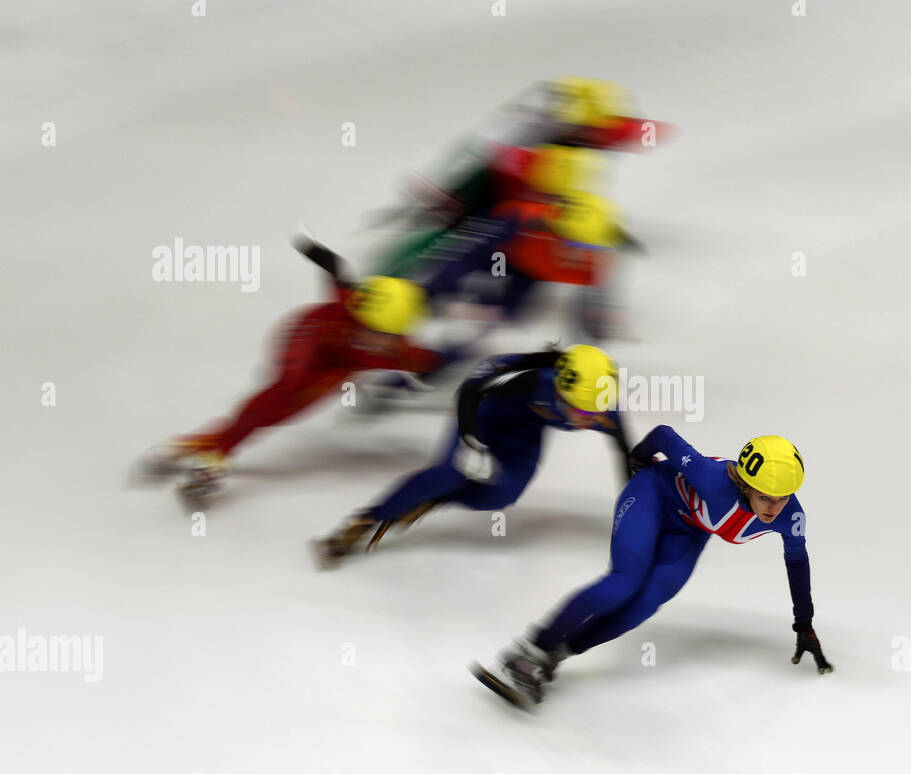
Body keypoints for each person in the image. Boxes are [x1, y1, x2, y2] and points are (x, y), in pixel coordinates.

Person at [473, 426, 832, 709]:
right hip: (652, 495)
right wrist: (637, 464)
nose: (774, 508)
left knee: (646, 602)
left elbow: (797, 562)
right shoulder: (710, 477)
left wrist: (804, 624)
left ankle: (555, 655)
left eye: (782, 497)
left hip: (690, 530)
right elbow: (663, 435)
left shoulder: (791, 517)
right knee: (623, 583)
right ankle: (528, 651)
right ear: (745, 482)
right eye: (766, 497)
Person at [137, 238, 454, 504]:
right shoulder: (345, 307)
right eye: (374, 331)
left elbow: (428, 360)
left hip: (337, 368)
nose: (381, 340)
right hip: (307, 342)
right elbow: (337, 270)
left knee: (274, 417)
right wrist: (314, 250)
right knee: (276, 397)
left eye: (389, 336)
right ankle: (212, 457)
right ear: (357, 311)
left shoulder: (396, 347)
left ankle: (189, 450)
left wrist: (440, 367)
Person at [314, 343, 634, 567]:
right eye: (580, 411)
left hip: (524, 428)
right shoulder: (534, 380)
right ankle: (365, 521)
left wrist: (633, 517)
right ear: (560, 391)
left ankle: (437, 499)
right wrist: (471, 441)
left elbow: (625, 458)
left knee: (502, 495)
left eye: (597, 413)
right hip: (482, 408)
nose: (590, 420)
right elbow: (470, 392)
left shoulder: (601, 408)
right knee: (451, 471)